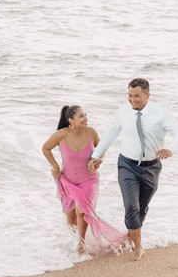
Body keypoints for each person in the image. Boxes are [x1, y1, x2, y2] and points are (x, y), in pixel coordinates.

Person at [87, 78, 178, 261]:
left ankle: (131, 235)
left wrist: (170, 149)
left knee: (141, 208)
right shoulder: (123, 111)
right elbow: (111, 133)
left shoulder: (160, 113)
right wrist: (96, 155)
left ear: (147, 95)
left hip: (151, 167)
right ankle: (138, 247)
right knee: (131, 206)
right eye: (130, 96)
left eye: (137, 96)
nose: (133, 100)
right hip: (127, 165)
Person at [42, 105, 128, 255]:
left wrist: (98, 161)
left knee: (82, 211)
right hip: (67, 181)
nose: (86, 118)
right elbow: (45, 148)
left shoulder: (91, 132)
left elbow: (101, 150)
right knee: (71, 218)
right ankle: (73, 241)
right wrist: (55, 166)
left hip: (89, 180)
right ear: (71, 120)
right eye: (81, 116)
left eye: (85, 115)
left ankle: (81, 245)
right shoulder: (61, 135)